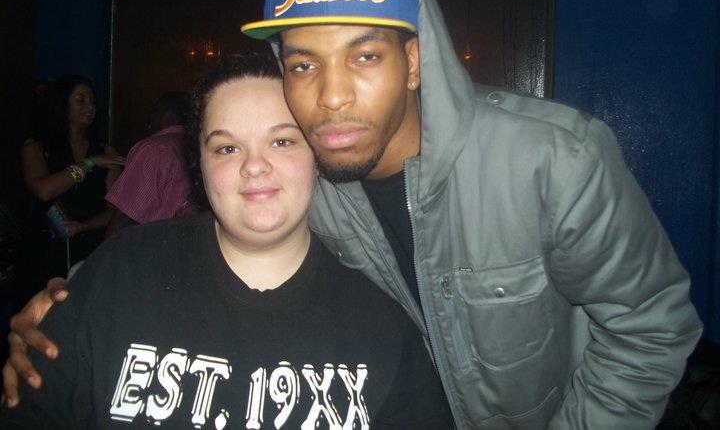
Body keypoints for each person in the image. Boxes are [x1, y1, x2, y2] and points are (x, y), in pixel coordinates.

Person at [4, 0, 703, 428]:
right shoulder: (311, 180)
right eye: (303, 64)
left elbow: (652, 329)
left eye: (364, 56)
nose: (331, 97)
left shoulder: (551, 159)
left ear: (414, 62)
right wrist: (68, 306)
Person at [0, 54, 452, 429]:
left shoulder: (380, 324)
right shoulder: (121, 273)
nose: (254, 166)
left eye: (282, 141)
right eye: (227, 148)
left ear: (316, 157)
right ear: (198, 166)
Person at [18, 75, 124, 291]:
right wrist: (89, 163)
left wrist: (84, 226)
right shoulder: (37, 146)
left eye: (93, 101)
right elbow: (44, 190)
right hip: (45, 250)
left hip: (88, 248)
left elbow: (115, 210)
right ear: (61, 103)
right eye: (81, 100)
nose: (90, 107)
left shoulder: (105, 151)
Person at [104, 91, 194, 237]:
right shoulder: (196, 147)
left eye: (153, 112)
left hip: (153, 244)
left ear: (166, 113)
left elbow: (126, 216)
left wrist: (106, 249)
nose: (149, 120)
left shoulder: (155, 149)